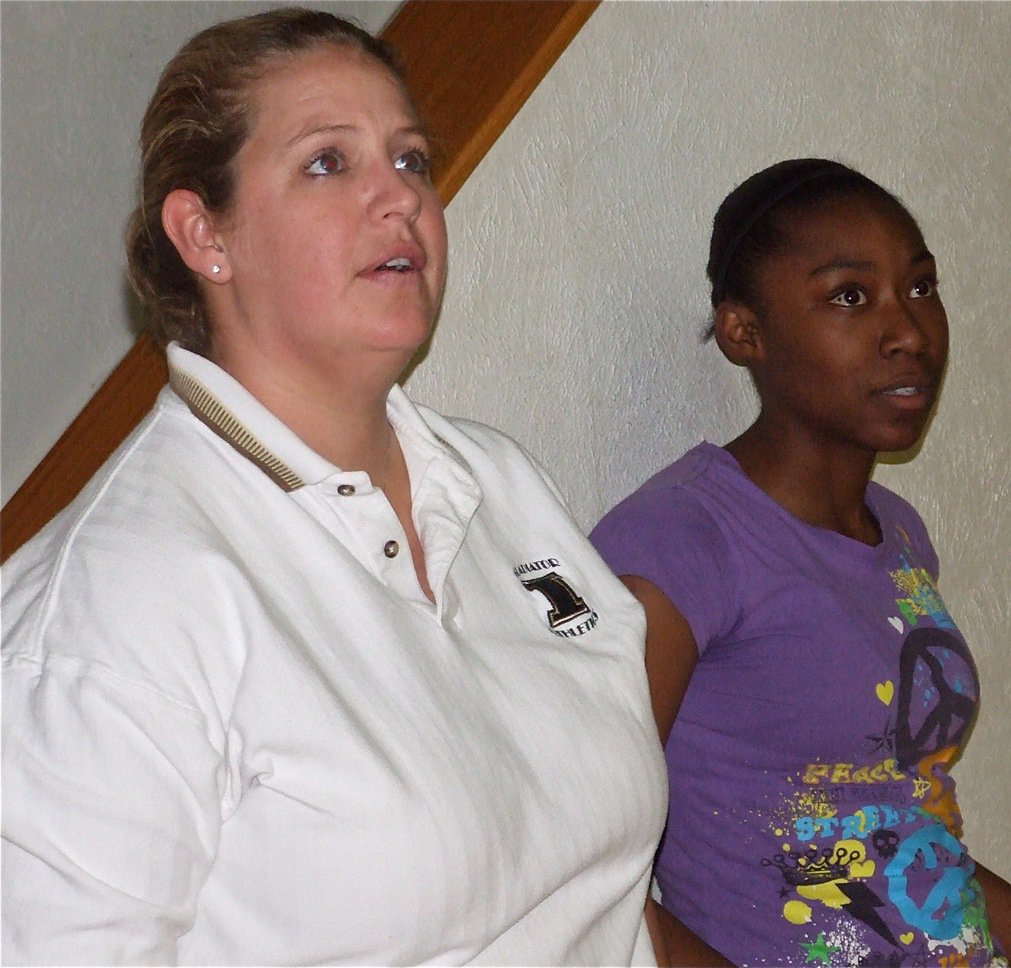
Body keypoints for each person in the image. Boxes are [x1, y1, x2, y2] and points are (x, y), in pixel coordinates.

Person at [1, 9, 673, 964]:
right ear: (204, 234)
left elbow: (609, 882)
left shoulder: (498, 480)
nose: (398, 198)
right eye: (328, 162)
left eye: (411, 160)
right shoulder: (112, 605)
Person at [590, 159, 1011, 967]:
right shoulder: (681, 539)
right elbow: (583, 867)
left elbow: (888, 816)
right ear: (745, 332)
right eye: (849, 296)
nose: (909, 331)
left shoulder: (899, 535)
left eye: (920, 288)